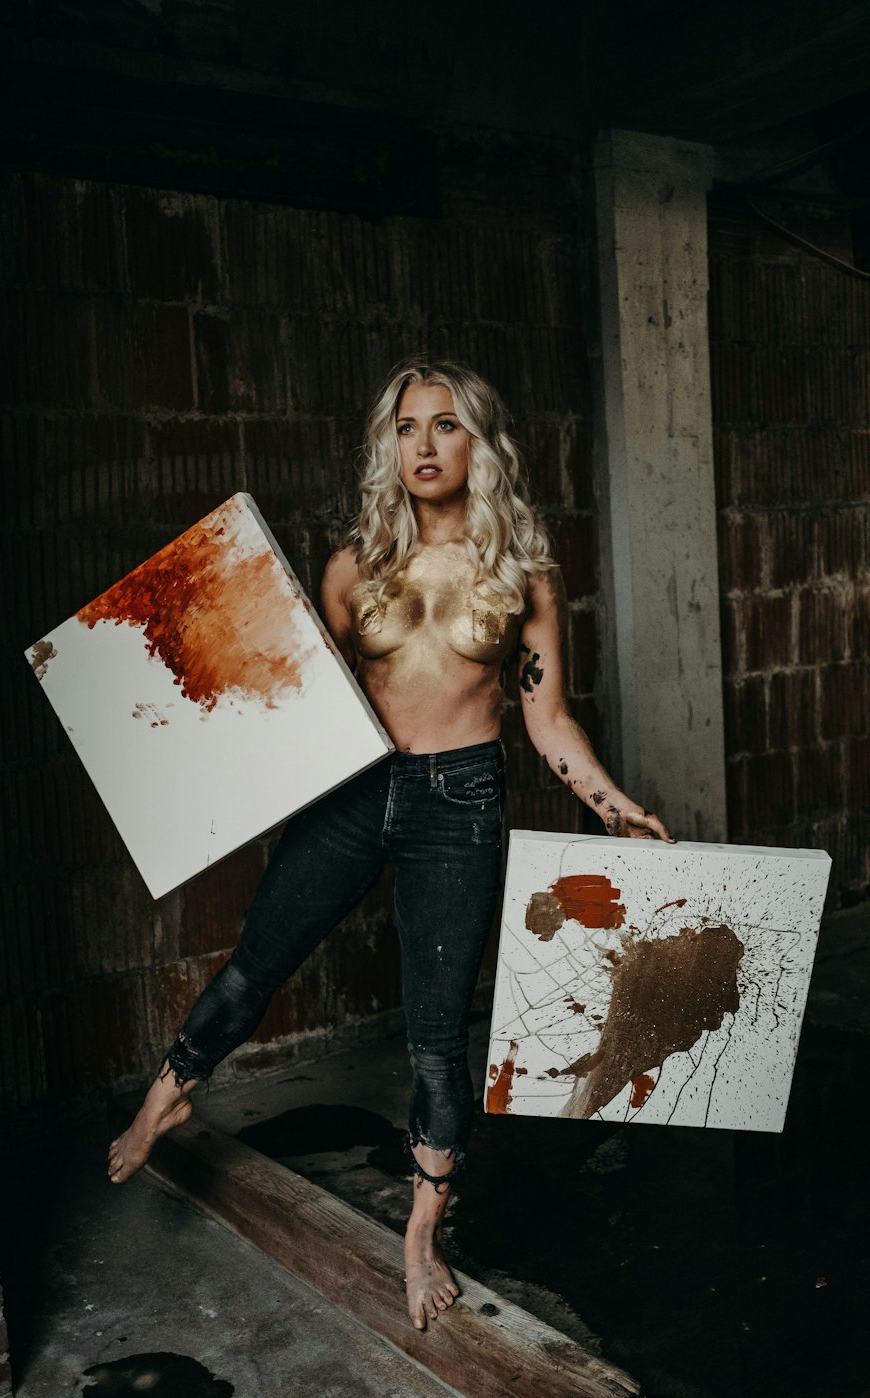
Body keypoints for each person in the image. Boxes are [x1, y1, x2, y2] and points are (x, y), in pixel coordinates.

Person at [108, 358, 674, 1331]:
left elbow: (549, 723)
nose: (422, 444)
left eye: (444, 425)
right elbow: (286, 704)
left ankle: (419, 1239)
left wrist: (612, 803)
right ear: (389, 444)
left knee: (433, 1033)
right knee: (256, 961)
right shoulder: (351, 566)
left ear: (476, 444)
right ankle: (167, 1096)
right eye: (406, 426)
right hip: (354, 790)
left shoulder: (520, 574)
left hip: (457, 802)